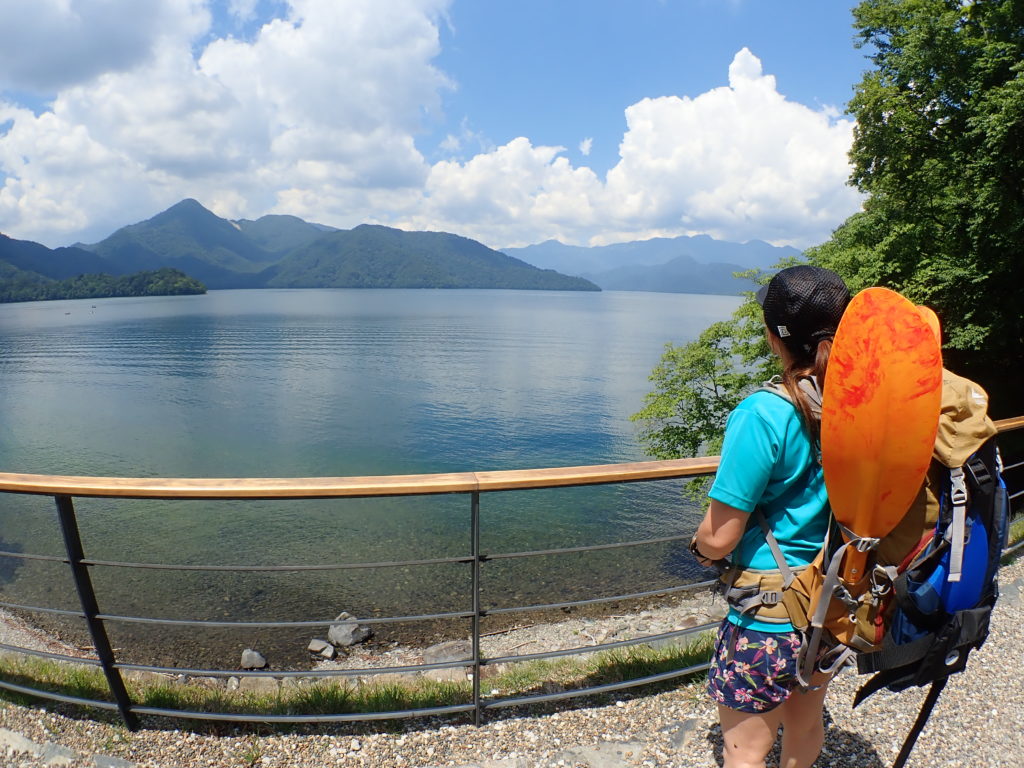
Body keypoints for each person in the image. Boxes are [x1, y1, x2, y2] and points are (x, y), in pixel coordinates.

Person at [689, 265, 851, 768]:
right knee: (805, 723)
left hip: (768, 612)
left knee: (746, 748)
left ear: (771, 335)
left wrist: (696, 550)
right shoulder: (852, 403)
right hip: (829, 596)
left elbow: (720, 536)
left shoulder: (763, 413)